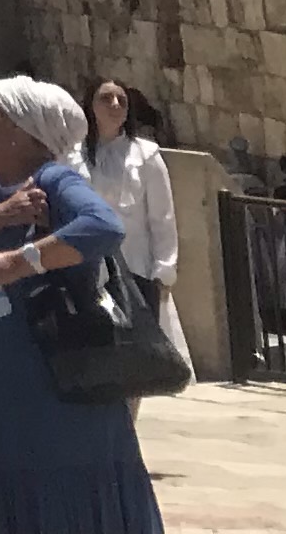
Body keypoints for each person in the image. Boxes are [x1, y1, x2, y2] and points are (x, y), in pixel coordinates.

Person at [0, 78, 162, 534]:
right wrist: (0, 216)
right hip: (5, 395)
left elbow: (103, 226)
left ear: (20, 129)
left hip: (62, 389)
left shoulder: (54, 180)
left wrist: (17, 262)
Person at [81, 82, 184, 368]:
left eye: (121, 101)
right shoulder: (76, 156)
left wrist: (165, 268)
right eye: (105, 99)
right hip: (91, 267)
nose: (114, 105)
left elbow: (162, 216)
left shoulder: (147, 155)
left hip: (137, 268)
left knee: (138, 358)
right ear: (90, 105)